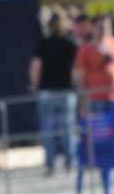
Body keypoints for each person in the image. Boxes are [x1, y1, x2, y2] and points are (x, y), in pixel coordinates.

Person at [29, 11, 78, 175]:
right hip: (66, 91)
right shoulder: (71, 43)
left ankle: (50, 166)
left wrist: (35, 85)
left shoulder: (43, 43)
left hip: (47, 91)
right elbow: (77, 70)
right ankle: (69, 165)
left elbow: (35, 67)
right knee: (68, 130)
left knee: (48, 131)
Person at [73, 14, 114, 110]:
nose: (103, 30)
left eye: (106, 26)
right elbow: (81, 78)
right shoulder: (85, 49)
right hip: (97, 99)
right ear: (93, 28)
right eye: (100, 27)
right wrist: (83, 102)